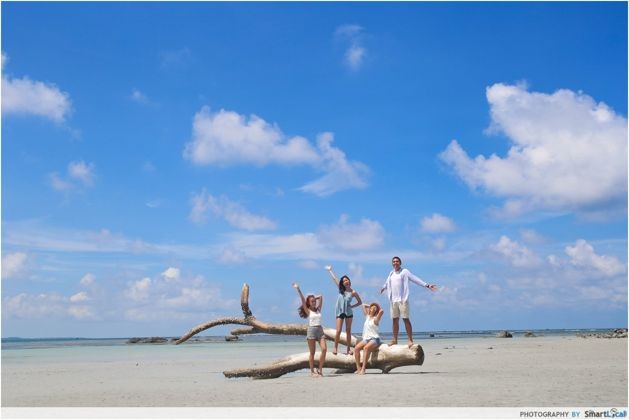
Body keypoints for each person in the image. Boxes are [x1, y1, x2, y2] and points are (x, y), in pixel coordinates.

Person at [380, 256, 437, 348]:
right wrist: (383, 287)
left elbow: (415, 278)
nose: (395, 263)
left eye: (397, 261)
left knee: (405, 319)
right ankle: (394, 340)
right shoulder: (391, 273)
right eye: (394, 261)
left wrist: (427, 285)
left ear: (400, 263)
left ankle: (410, 340)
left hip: (402, 300)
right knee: (395, 320)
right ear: (392, 263)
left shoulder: (404, 271)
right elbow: (387, 283)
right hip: (393, 300)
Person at [324, 265, 362, 355]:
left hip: (349, 312)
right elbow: (335, 279)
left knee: (348, 331)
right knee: (338, 330)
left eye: (346, 280)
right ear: (343, 283)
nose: (345, 281)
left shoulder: (353, 292)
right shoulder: (341, 289)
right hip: (340, 311)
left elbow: (360, 302)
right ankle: (335, 348)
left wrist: (352, 306)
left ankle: (348, 349)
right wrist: (330, 270)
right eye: (344, 281)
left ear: (349, 281)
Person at [292, 282, 327, 377]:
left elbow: (321, 297)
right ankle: (312, 372)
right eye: (312, 301)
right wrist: (298, 289)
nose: (314, 302)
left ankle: (319, 369)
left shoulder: (318, 309)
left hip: (320, 330)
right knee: (312, 353)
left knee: (324, 349)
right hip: (311, 331)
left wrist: (314, 297)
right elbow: (303, 300)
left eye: (314, 301)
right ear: (308, 303)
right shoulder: (308, 311)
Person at [354, 302, 384, 375]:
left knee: (366, 348)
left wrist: (377, 307)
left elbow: (382, 311)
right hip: (366, 339)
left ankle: (363, 368)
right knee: (356, 348)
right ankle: (358, 368)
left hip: (375, 339)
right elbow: (363, 305)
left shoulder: (376, 319)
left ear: (376, 310)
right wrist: (370, 306)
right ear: (370, 309)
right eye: (372, 307)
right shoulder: (367, 317)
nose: (373, 308)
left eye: (375, 308)